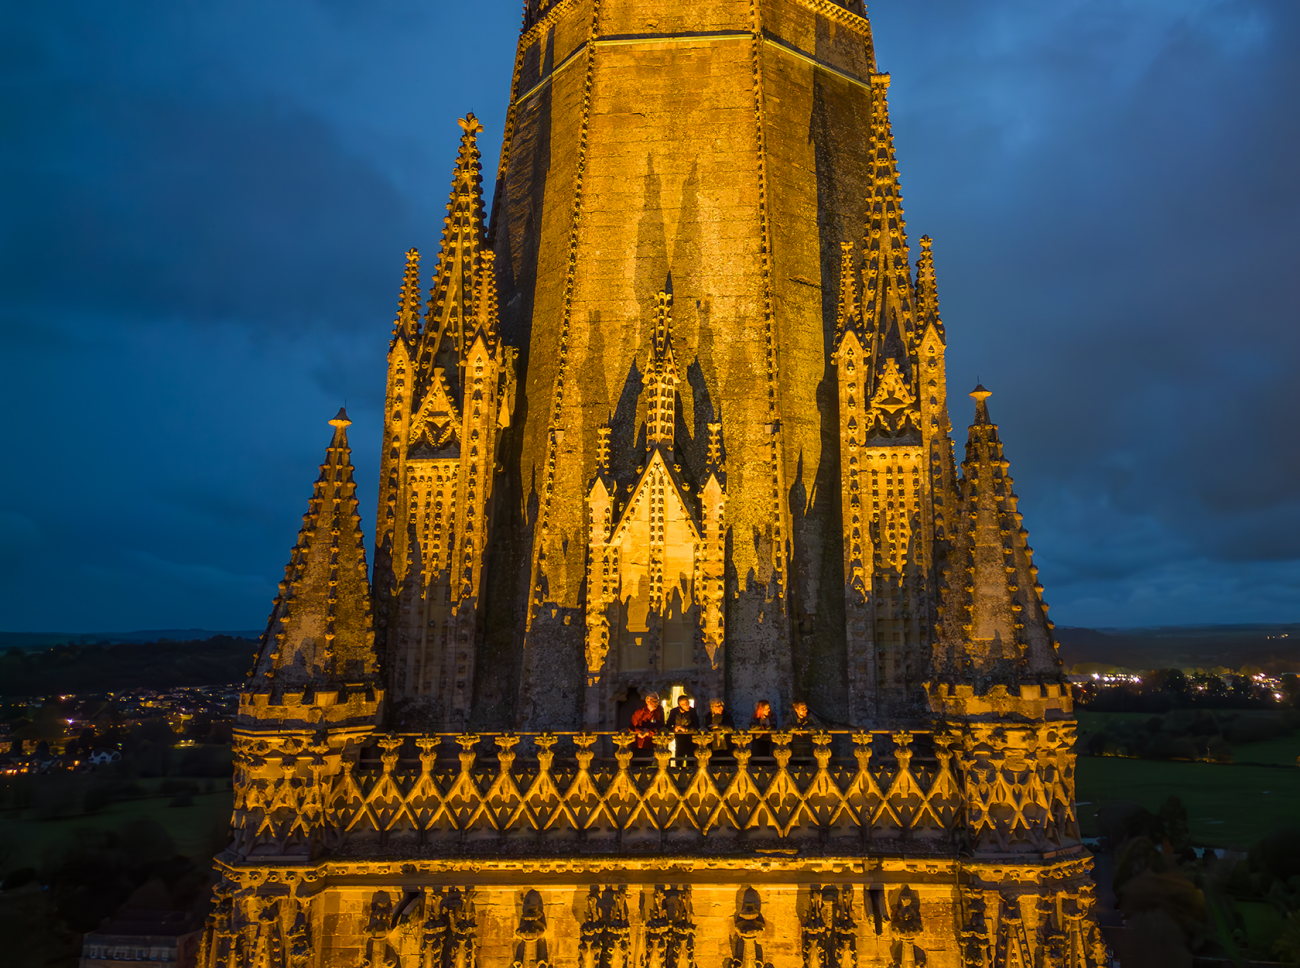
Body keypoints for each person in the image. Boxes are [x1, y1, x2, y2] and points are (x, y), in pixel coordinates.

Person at [630, 691, 664, 758]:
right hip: (638, 744)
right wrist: (639, 732)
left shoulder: (659, 711)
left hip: (651, 743)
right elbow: (632, 726)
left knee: (649, 762)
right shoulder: (639, 711)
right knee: (637, 763)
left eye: (657, 701)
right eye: (654, 701)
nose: (656, 703)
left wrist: (648, 732)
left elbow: (660, 725)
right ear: (648, 701)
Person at [667, 694, 699, 763]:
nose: (687, 705)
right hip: (679, 738)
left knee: (690, 756)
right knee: (679, 755)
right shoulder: (674, 712)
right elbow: (668, 725)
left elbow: (696, 725)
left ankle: (690, 770)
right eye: (684, 704)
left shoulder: (692, 711)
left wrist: (686, 729)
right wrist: (674, 728)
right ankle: (679, 770)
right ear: (680, 705)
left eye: (688, 703)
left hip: (690, 738)